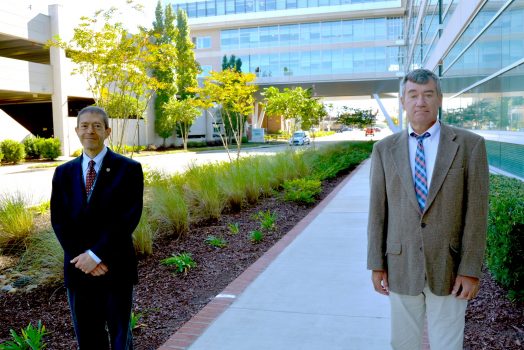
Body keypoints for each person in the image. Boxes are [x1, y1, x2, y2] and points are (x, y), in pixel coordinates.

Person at [367, 69, 489, 350]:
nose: (420, 101)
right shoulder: (384, 150)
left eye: (428, 94)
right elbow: (377, 212)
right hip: (401, 265)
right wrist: (376, 263)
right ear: (403, 101)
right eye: (413, 95)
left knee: (447, 345)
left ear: (440, 99)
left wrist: (470, 269)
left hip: (450, 267)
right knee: (403, 344)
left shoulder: (470, 146)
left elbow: (477, 214)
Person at [51, 106, 144, 350]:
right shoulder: (63, 173)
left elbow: (128, 218)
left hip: (115, 267)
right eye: (84, 125)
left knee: (120, 338)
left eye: (97, 126)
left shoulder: (129, 169)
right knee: (88, 338)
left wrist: (96, 255)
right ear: (76, 131)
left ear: (107, 131)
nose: (90, 131)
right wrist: (83, 259)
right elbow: (59, 221)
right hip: (78, 269)